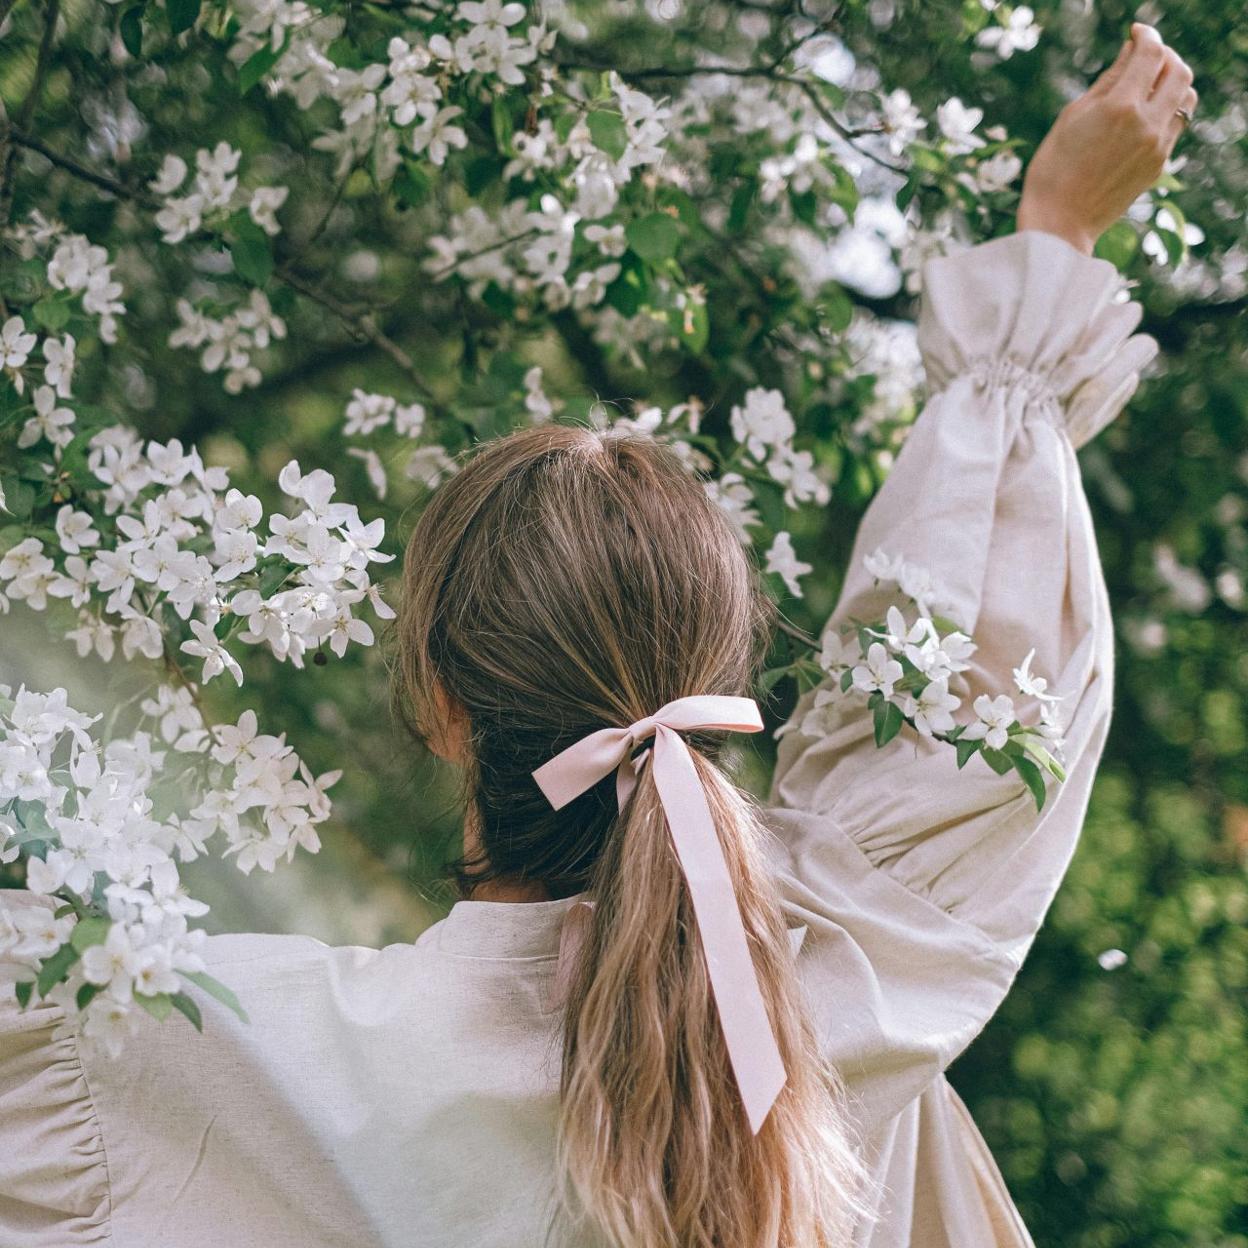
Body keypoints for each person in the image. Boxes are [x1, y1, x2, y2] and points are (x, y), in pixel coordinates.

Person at [0, 22, 1196, 1248]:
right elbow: (983, 675)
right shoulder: (861, 968)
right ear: (718, 686)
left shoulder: (233, 1065)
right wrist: (1055, 230)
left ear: (442, 704)